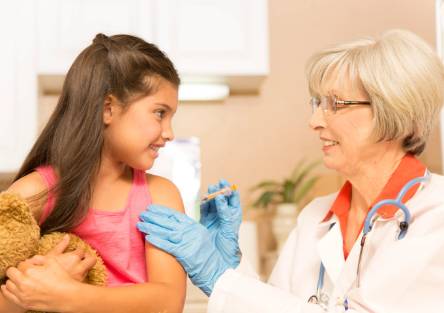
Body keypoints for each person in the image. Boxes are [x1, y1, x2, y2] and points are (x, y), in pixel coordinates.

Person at [137, 29, 444, 312]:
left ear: (394, 111)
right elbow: (277, 303)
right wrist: (231, 268)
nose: (315, 121)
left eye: (335, 104)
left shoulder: (435, 216)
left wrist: (220, 278)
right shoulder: (316, 217)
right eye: (317, 103)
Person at [0, 33, 186, 313]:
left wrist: (67, 295)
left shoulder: (160, 196)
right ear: (108, 108)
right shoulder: (33, 193)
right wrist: (30, 290)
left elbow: (168, 301)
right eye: (160, 113)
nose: (169, 133)